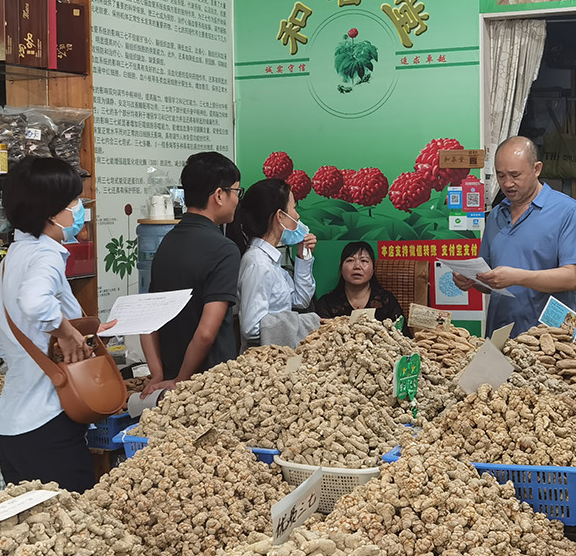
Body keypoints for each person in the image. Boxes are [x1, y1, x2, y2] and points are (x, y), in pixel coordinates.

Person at [0, 156, 111, 492]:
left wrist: (82, 330)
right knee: (74, 522)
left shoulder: (12, 257)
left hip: (12, 426)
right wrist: (68, 333)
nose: (79, 209)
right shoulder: (46, 254)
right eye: (73, 201)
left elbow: (22, 328)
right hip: (47, 425)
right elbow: (35, 303)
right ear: (51, 212)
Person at [453, 136, 576, 335]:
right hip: (501, 334)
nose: (508, 183)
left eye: (515, 175)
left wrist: (517, 277)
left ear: (537, 169)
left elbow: (572, 277)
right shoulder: (496, 215)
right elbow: (491, 282)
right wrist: (472, 280)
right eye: (501, 176)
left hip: (550, 337)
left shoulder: (567, 211)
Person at [141, 151, 243, 395]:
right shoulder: (225, 249)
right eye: (236, 192)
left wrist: (159, 374)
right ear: (219, 195)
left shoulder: (167, 241)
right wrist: (183, 379)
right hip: (211, 383)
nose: (237, 200)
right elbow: (206, 333)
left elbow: (148, 320)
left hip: (170, 377)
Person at [232, 178, 317, 344]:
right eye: (294, 208)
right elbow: (251, 328)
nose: (297, 216)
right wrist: (304, 323)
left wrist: (303, 256)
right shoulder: (258, 264)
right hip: (265, 356)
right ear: (280, 216)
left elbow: (301, 300)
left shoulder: (271, 260)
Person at [314, 242, 405, 324]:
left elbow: (402, 333)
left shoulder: (387, 301)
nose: (357, 266)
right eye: (350, 260)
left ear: (373, 269)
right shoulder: (326, 303)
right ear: (341, 267)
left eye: (364, 261)